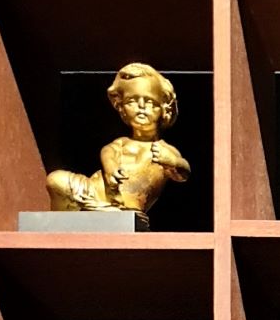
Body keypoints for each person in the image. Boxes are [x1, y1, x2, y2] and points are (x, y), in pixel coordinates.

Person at [46, 63, 190, 223]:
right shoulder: (121, 143)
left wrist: (172, 161)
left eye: (150, 102)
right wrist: (111, 169)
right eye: (132, 101)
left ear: (164, 110)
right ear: (121, 108)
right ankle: (61, 225)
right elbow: (107, 151)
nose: (141, 107)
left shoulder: (164, 149)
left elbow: (183, 172)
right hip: (93, 191)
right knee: (56, 180)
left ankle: (97, 214)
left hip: (128, 206)